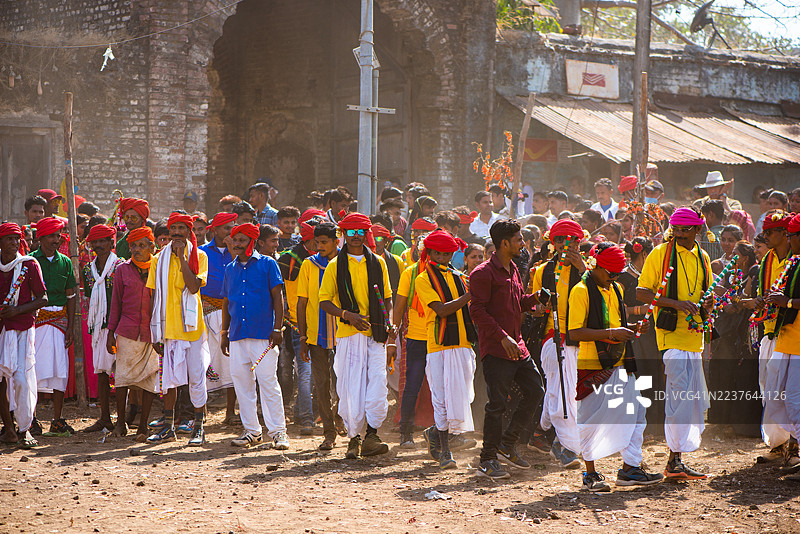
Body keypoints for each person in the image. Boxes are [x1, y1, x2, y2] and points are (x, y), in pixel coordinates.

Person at [569, 243, 662, 491]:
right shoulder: (580, 291)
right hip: (592, 366)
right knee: (591, 420)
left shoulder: (617, 288)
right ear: (597, 267)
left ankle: (630, 468)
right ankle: (590, 474)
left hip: (621, 362)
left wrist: (632, 329)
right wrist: (612, 332)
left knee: (636, 415)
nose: (614, 278)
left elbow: (616, 325)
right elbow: (574, 332)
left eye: (618, 274)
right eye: (611, 274)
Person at [637, 206, 713, 480]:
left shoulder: (703, 257)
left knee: (689, 401)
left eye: (686, 230)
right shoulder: (661, 253)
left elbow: (707, 292)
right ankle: (674, 459)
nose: (680, 234)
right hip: (671, 337)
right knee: (678, 398)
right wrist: (677, 304)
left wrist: (709, 302)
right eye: (676, 229)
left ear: (697, 230)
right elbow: (642, 292)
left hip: (695, 338)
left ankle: (676, 460)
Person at [469, 219, 545, 479]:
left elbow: (516, 302)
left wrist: (535, 300)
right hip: (497, 348)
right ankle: (487, 458)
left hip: (518, 346)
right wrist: (502, 337)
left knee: (536, 390)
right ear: (504, 243)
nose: (522, 244)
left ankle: (506, 443)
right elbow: (477, 311)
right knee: (497, 404)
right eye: (518, 240)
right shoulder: (482, 273)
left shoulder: (513, 268)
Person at [319, 212, 393, 459]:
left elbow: (387, 297)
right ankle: (354, 438)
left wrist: (388, 320)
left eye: (360, 232)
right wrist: (347, 315)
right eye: (350, 232)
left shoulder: (378, 263)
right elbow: (324, 301)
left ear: (366, 234)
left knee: (377, 383)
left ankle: (372, 435)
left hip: (376, 334)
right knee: (351, 388)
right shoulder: (334, 266)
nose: (355, 237)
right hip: (349, 335)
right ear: (344, 235)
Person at [221, 223, 289, 450]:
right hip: (237, 335)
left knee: (268, 382)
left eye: (241, 240)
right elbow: (226, 301)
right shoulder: (230, 268)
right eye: (234, 240)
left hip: (263, 335)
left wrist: (278, 328)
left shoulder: (268, 264)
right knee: (242, 383)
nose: (237, 244)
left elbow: (278, 298)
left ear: (251, 241)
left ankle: (279, 432)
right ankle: (252, 431)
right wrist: (224, 332)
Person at [413, 230, 477, 469]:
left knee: (461, 398)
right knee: (441, 399)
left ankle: (435, 433)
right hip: (439, 344)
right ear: (429, 253)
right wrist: (471, 294)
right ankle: (445, 452)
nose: (442, 257)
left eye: (447, 253)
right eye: (438, 252)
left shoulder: (457, 276)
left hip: (462, 342)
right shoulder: (423, 278)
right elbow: (440, 310)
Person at [146, 213, 210, 446]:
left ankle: (198, 426)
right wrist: (154, 332)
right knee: (169, 381)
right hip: (168, 330)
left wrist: (183, 258)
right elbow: (153, 298)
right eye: (173, 228)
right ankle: (168, 427)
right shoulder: (158, 260)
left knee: (196, 379)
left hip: (192, 330)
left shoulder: (199, 257)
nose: (176, 233)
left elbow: (193, 287)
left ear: (189, 231)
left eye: (181, 228)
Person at [528, 219, 586, 468]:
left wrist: (582, 268)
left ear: (578, 242)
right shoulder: (542, 271)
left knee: (562, 390)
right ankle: (565, 447)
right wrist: (541, 308)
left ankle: (541, 433)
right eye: (560, 240)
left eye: (570, 240)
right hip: (553, 337)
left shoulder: (588, 269)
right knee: (563, 393)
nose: (565, 245)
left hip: (582, 338)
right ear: (553, 243)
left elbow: (597, 296)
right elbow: (535, 308)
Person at [106, 227, 160, 442]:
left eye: (141, 246)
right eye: (133, 246)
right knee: (122, 379)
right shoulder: (122, 270)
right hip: (127, 330)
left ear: (151, 248)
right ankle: (120, 424)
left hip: (152, 333)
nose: (136, 250)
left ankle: (143, 426)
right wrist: (111, 332)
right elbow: (115, 303)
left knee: (149, 379)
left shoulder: (159, 268)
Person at [298, 222, 345, 450]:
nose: (320, 246)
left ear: (336, 241)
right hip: (316, 335)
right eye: (317, 243)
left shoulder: (344, 263)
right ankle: (329, 432)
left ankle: (341, 417)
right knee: (322, 384)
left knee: (343, 382)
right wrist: (303, 337)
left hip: (344, 333)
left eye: (324, 242)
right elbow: (302, 301)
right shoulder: (309, 265)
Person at [751, 210, 793, 463]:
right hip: (768, 331)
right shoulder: (767, 259)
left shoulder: (796, 259)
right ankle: (778, 445)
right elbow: (764, 292)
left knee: (788, 391)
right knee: (768, 389)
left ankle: (793, 445)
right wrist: (757, 301)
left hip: (790, 333)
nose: (765, 236)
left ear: (785, 234)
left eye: (769, 232)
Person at [0, 223, 46, 448]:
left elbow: (43, 298)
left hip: (22, 329)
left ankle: (25, 427)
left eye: (16, 239)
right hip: (1, 330)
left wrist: (17, 310)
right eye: (8, 239)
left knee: (20, 379)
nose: (14, 243)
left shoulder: (28, 265)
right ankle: (9, 429)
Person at [31, 217, 77, 436]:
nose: (56, 240)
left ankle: (58, 420)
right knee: (33, 369)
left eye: (58, 235)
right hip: (36, 321)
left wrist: (71, 327)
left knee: (60, 370)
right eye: (51, 235)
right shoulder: (30, 261)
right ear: (40, 237)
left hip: (59, 322)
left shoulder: (66, 262)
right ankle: (31, 419)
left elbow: (71, 296)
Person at [764, 212, 800, 474]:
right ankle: (790, 448)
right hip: (786, 340)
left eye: (791, 235)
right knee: (777, 396)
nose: (789, 239)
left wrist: (785, 302)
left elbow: (790, 301)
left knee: (794, 402)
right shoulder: (794, 263)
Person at [81, 225, 125, 433]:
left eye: (103, 241)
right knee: (101, 372)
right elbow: (90, 298)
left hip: (119, 326)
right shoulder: (88, 270)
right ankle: (105, 418)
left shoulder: (121, 266)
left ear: (111, 242)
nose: (99, 246)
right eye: (95, 242)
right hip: (99, 328)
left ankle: (124, 419)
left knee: (123, 373)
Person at [277, 219, 318, 434]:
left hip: (321, 321)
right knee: (304, 370)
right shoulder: (287, 259)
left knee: (314, 371)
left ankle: (303, 411)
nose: (320, 245)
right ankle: (307, 418)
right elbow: (279, 289)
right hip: (296, 322)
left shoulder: (328, 257)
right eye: (316, 241)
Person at [619, 237, 662, 433]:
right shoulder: (623, 279)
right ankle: (635, 424)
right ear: (645, 254)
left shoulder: (651, 277)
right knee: (637, 375)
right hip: (633, 333)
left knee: (654, 374)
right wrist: (642, 309)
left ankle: (654, 423)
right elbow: (619, 310)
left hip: (651, 333)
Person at [199, 212, 238, 426]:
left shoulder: (238, 252)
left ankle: (230, 412)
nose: (230, 233)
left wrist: (233, 249)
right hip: (205, 310)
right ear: (215, 230)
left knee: (231, 360)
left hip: (229, 312)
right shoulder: (202, 252)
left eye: (233, 228)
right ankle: (201, 410)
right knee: (204, 360)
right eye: (226, 229)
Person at [370, 223, 404, 295]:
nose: (374, 242)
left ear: (385, 241)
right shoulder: (363, 260)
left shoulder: (397, 261)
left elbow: (403, 289)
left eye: (378, 239)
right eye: (371, 238)